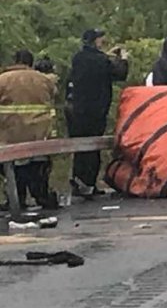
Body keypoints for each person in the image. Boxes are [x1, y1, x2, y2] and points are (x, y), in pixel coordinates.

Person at [68, 28, 129, 198]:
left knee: (80, 147)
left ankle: (78, 180)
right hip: (96, 111)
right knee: (93, 149)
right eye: (100, 39)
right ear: (95, 41)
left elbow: (95, 63)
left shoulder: (78, 58)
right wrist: (123, 59)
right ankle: (88, 183)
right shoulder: (100, 60)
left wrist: (107, 56)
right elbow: (119, 73)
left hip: (77, 110)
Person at [0, 50, 58, 209]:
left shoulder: (3, 80)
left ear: (15, 60)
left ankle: (17, 199)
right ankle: (43, 197)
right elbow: (54, 95)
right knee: (38, 170)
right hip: (38, 134)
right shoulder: (43, 79)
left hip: (11, 135)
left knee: (13, 170)